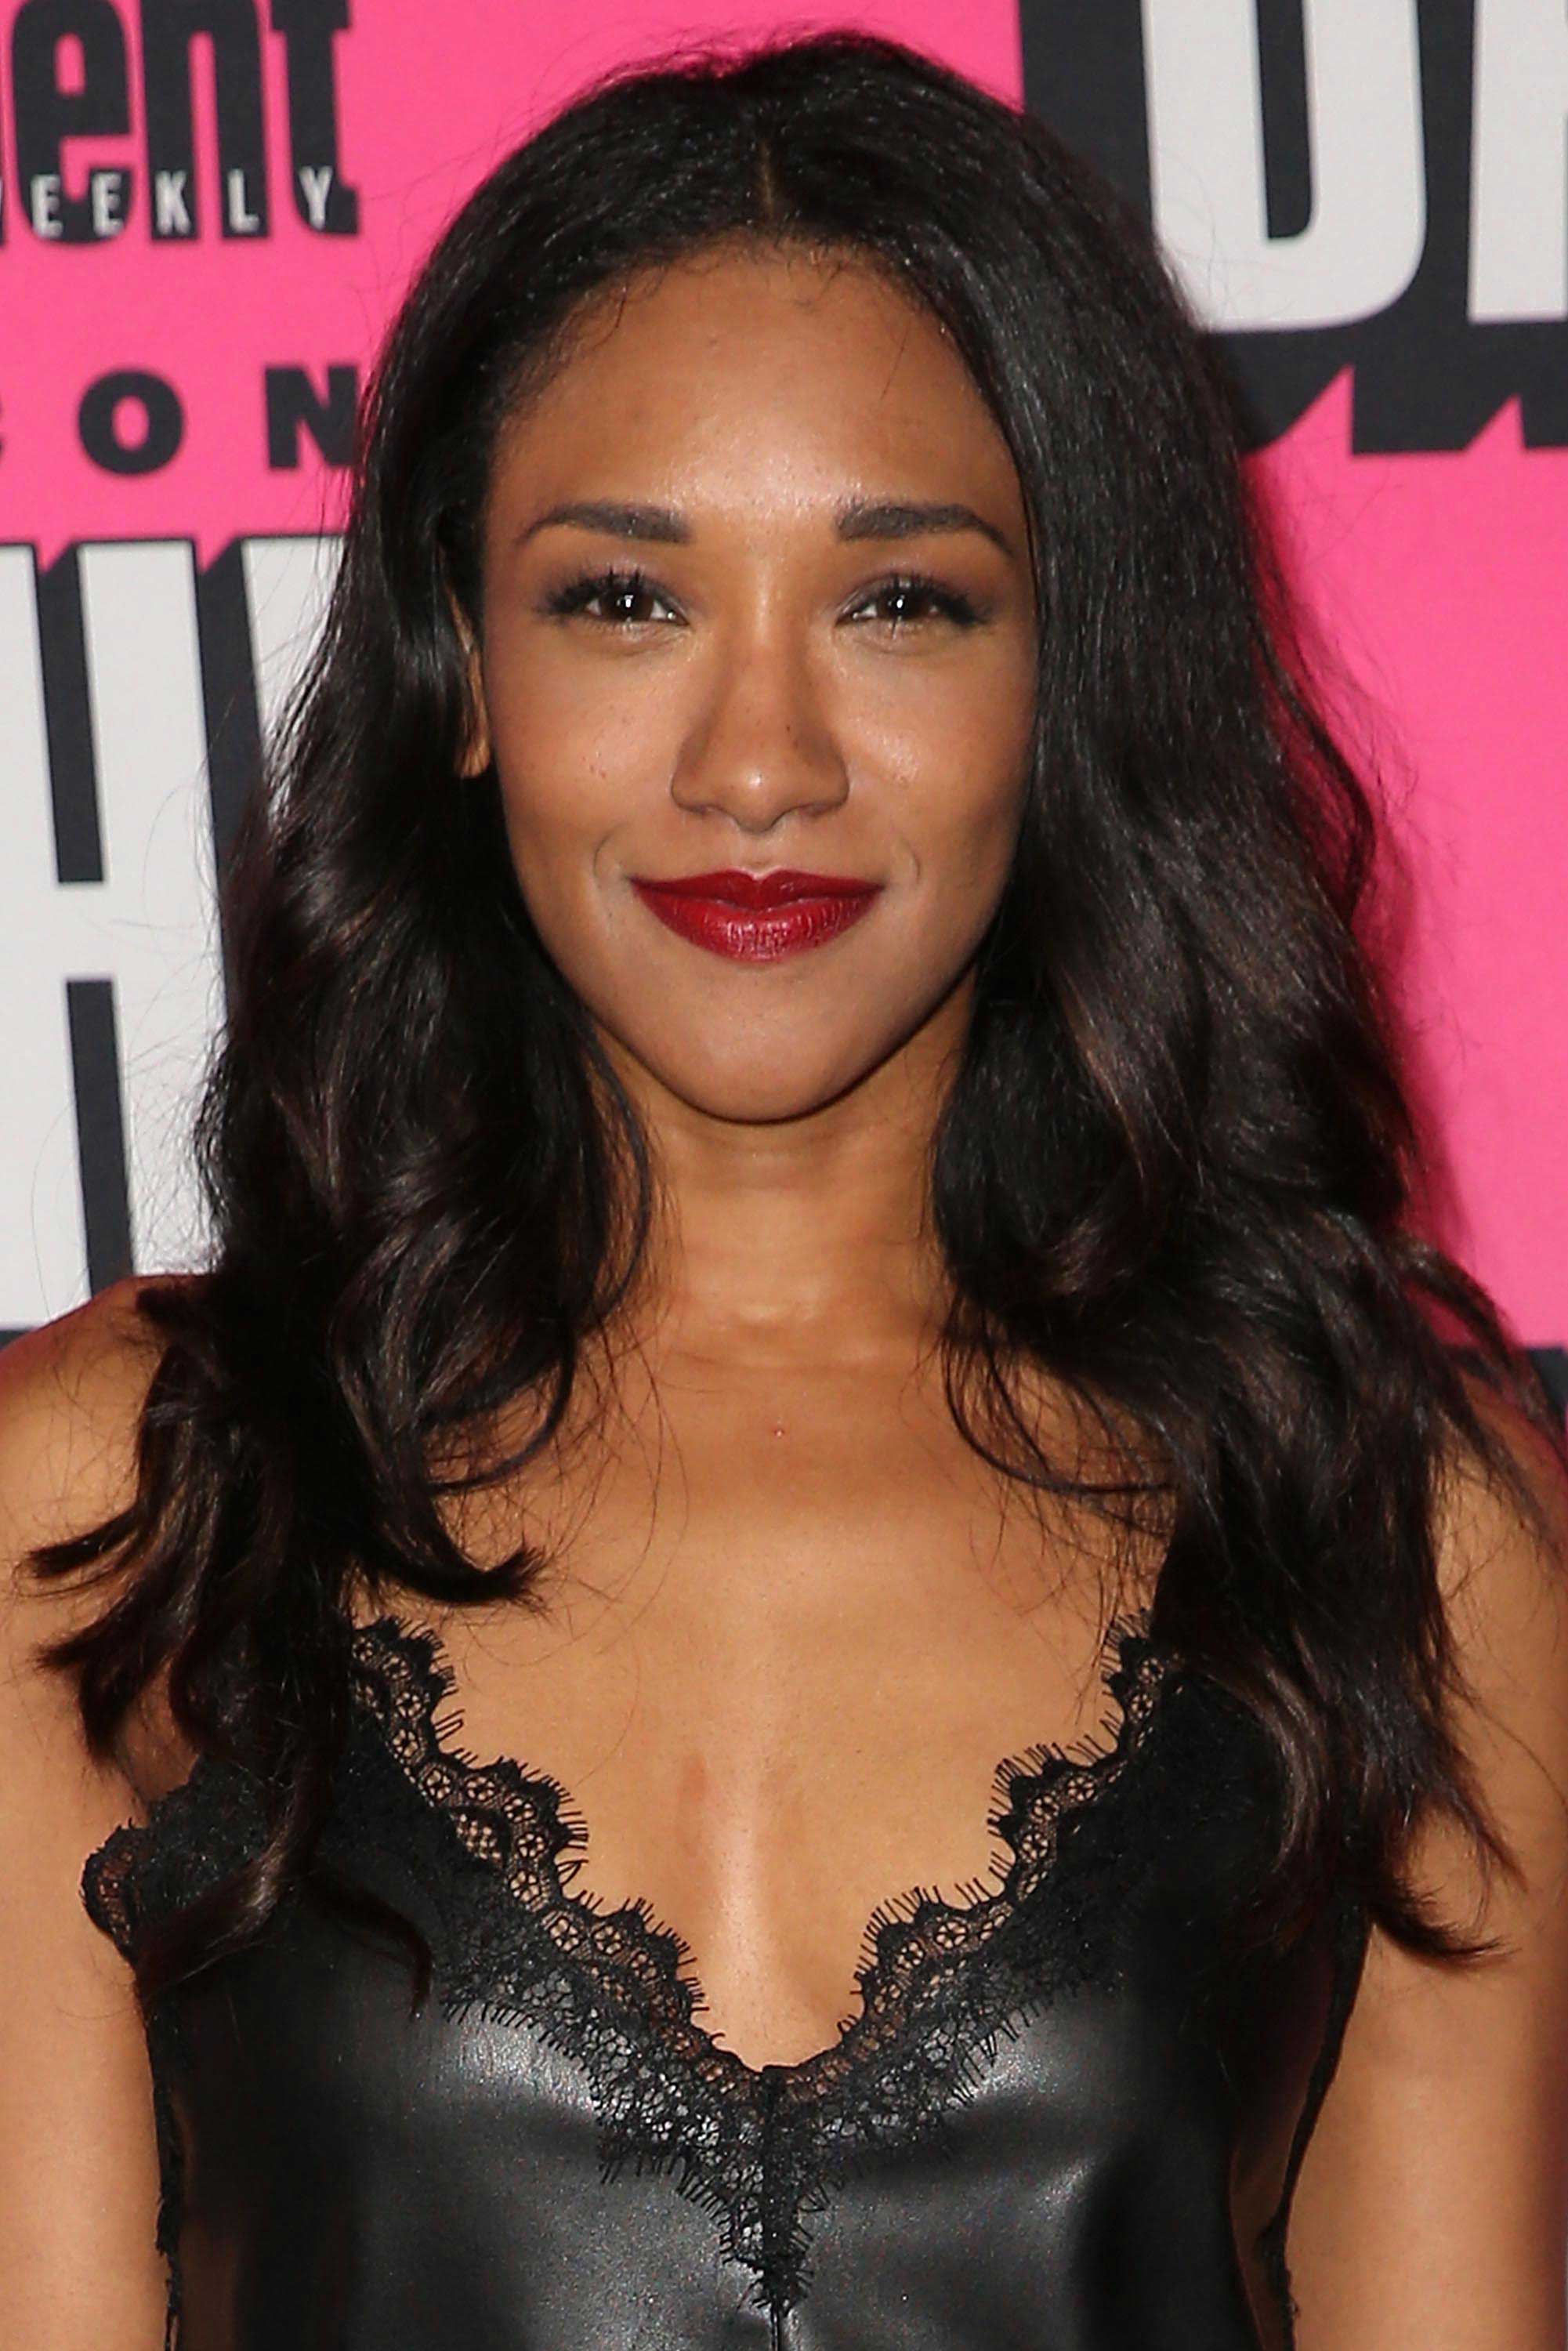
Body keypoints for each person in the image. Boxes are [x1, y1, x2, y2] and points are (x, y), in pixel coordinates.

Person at [2, 29, 1566, 2351]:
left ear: (1067, 674)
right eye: (624, 601)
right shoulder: (109, 1498)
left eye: (899, 603)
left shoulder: (1398, 1524)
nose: (760, 764)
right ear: (460, 668)